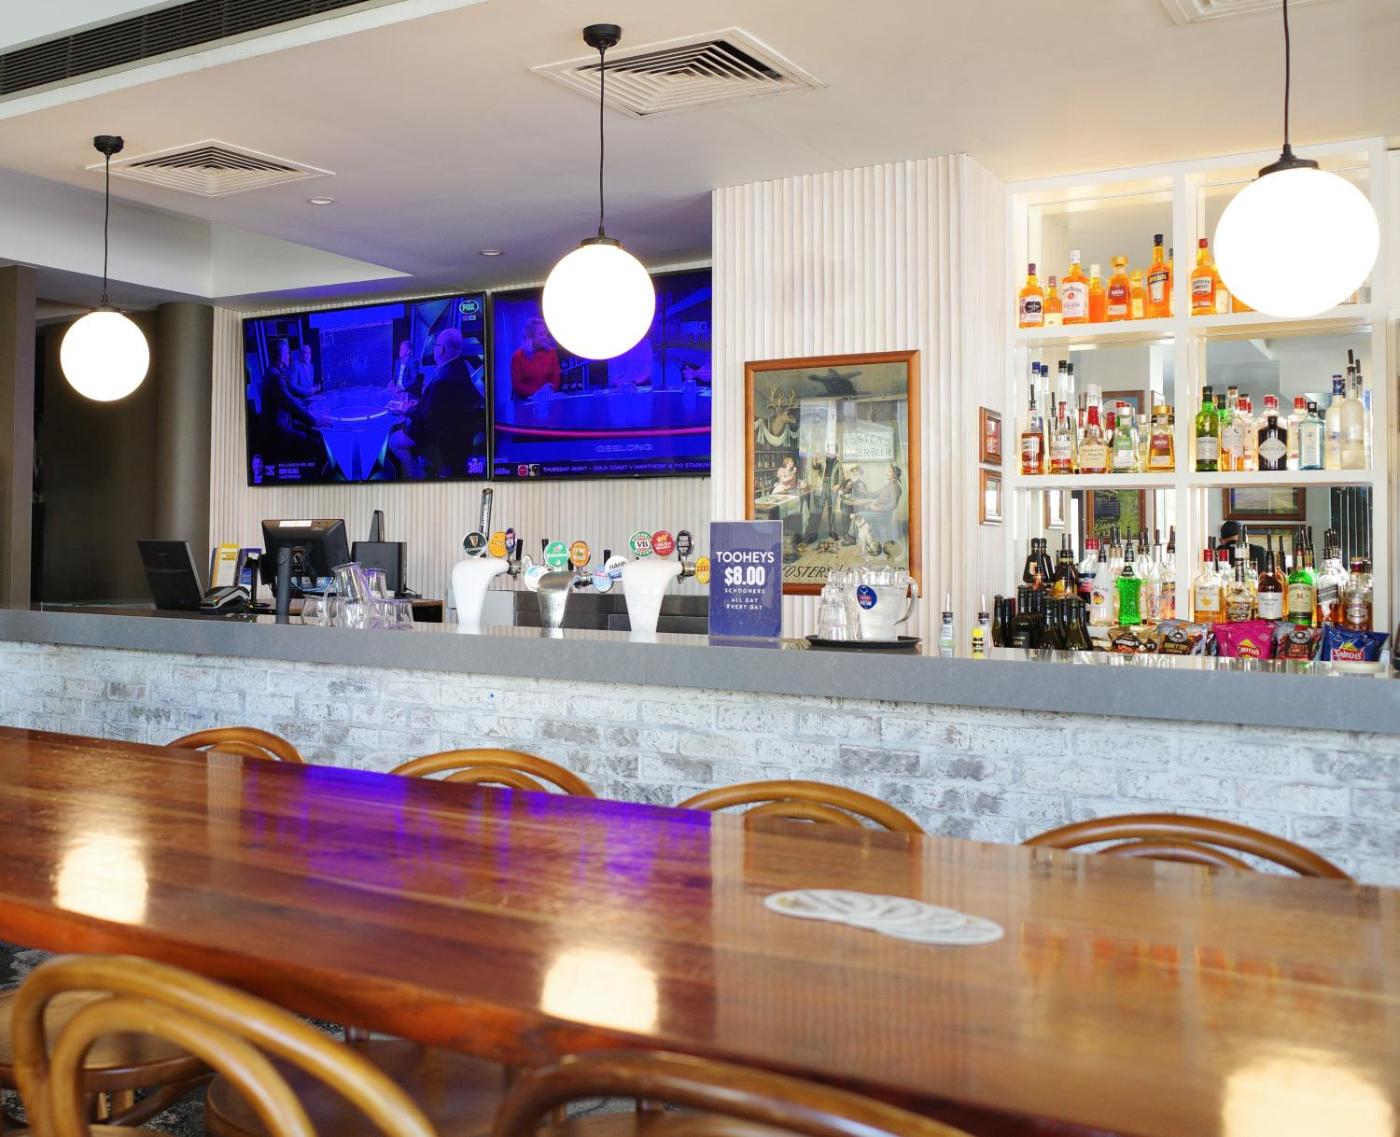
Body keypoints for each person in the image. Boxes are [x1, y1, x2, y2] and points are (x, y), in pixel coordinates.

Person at [389, 327, 485, 478]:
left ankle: (418, 475)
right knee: (409, 420)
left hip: (439, 433)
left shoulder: (444, 379)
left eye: (436, 345)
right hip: (454, 428)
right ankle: (425, 460)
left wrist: (407, 410)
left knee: (394, 440)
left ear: (442, 349)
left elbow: (427, 418)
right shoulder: (460, 366)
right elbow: (438, 404)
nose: (434, 349)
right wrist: (418, 404)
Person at [260, 338, 321, 460]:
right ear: (281, 356)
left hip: (287, 422)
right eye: (287, 353)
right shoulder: (275, 376)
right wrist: (315, 421)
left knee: (315, 432)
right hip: (279, 431)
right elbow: (290, 403)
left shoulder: (275, 372)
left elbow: (288, 400)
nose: (290, 356)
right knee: (316, 442)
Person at [850, 464, 904, 553]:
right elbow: (876, 493)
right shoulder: (889, 484)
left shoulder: (894, 487)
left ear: (894, 474)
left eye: (889, 471)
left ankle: (852, 538)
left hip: (882, 515)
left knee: (858, 515)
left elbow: (893, 505)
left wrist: (878, 508)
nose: (887, 473)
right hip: (878, 512)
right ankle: (866, 540)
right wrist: (865, 492)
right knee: (862, 510)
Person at [510, 317, 561, 399]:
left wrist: (549, 390)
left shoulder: (552, 353)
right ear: (530, 337)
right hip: (527, 400)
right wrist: (538, 392)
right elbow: (518, 385)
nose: (545, 337)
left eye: (545, 334)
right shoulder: (518, 356)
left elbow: (556, 379)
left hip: (549, 396)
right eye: (541, 334)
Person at [803, 451, 845, 542]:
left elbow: (842, 478)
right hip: (822, 488)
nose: (830, 453)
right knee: (817, 511)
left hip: (832, 489)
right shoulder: (822, 461)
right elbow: (815, 467)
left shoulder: (838, 464)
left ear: (836, 453)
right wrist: (815, 458)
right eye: (829, 451)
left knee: (832, 511)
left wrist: (838, 485)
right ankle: (813, 534)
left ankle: (832, 531)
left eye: (833, 452)